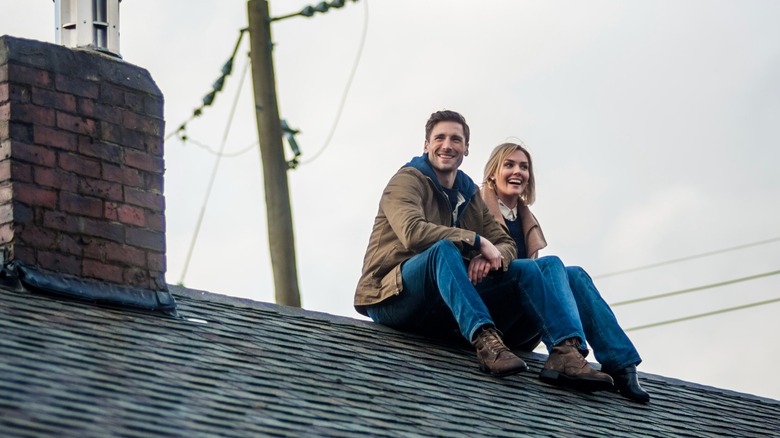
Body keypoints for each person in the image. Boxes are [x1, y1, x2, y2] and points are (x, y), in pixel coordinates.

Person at [355, 110, 614, 392]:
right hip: (392, 295)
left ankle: (566, 354)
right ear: (426, 145)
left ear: (466, 148)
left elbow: (506, 244)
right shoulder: (407, 181)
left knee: (531, 267)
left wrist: (488, 257)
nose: (447, 145)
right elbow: (413, 232)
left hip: (440, 308)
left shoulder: (467, 192)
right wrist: (476, 241)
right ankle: (486, 342)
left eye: (456, 139)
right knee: (443, 250)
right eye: (439, 138)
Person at [480, 141, 650, 403]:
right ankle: (569, 352)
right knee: (550, 264)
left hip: (522, 315)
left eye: (524, 167)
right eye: (509, 165)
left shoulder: (525, 217)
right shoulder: (476, 207)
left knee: (576, 275)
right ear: (492, 172)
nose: (518, 172)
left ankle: (621, 364)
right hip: (491, 318)